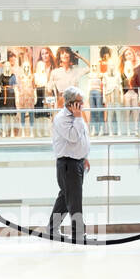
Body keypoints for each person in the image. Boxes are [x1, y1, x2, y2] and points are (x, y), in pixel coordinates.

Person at [49, 86, 91, 243]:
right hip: (68, 164)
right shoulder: (62, 119)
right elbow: (73, 137)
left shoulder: (76, 116)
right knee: (74, 200)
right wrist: (79, 117)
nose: (83, 104)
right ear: (71, 103)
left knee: (65, 198)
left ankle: (52, 228)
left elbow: (82, 138)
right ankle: (78, 233)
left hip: (77, 161)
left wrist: (84, 156)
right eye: (80, 102)